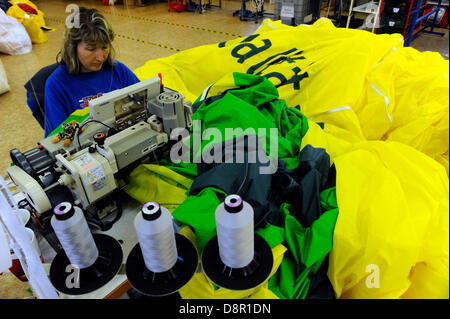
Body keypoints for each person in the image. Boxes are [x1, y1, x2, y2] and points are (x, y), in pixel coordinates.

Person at [44, 7, 140, 137]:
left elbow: (143, 101)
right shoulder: (57, 84)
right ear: (72, 48)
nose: (101, 57)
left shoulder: (118, 70)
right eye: (91, 49)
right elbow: (57, 138)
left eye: (105, 47)